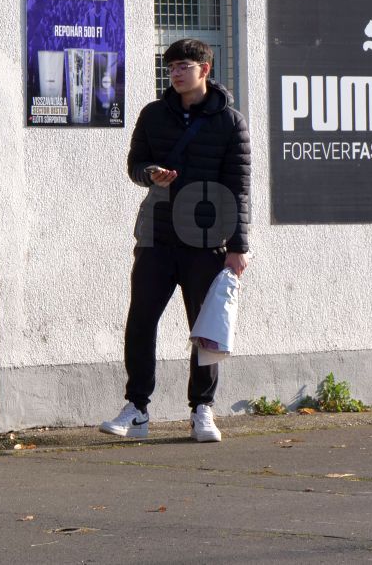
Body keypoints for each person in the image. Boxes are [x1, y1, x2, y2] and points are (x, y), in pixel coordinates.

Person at [99, 38, 250, 443]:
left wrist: (238, 247)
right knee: (141, 321)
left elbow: (239, 188)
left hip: (206, 240)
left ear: (205, 69)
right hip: (157, 235)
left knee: (205, 328)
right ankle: (137, 410)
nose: (176, 74)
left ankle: (202, 409)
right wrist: (150, 173)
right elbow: (135, 165)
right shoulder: (153, 115)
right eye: (171, 68)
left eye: (184, 66)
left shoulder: (230, 123)